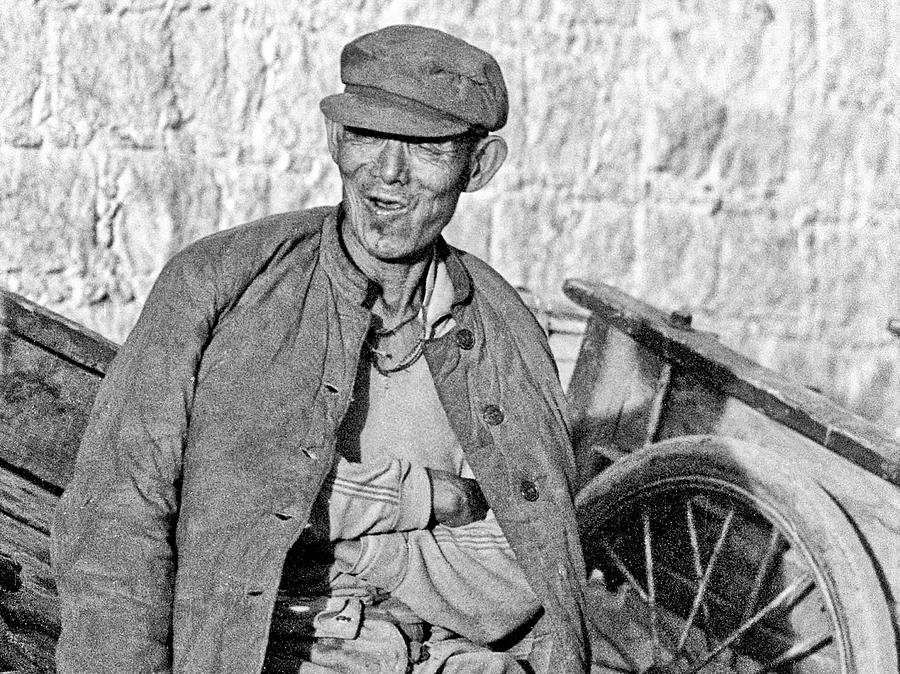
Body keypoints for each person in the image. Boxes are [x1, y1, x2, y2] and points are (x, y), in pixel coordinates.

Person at [51, 24, 590, 674]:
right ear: (335, 139)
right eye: (367, 134)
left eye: (425, 147)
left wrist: (327, 526)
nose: (387, 173)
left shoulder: (507, 335)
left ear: (479, 166)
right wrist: (421, 505)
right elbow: (117, 517)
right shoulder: (219, 285)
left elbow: (524, 574)